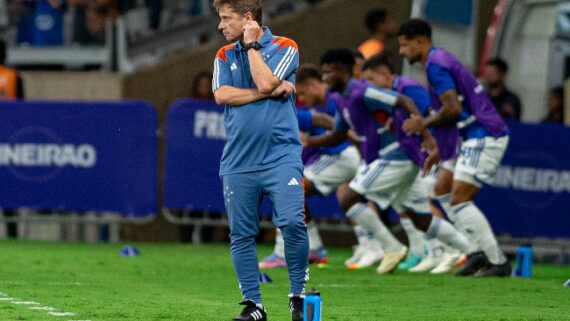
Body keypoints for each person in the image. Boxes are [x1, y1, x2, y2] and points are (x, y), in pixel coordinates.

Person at [212, 1, 307, 320]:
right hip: (239, 161)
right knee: (241, 234)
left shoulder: (286, 46)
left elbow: (266, 81)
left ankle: (297, 296)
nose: (220, 26)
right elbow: (222, 95)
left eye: (226, 19)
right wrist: (265, 92)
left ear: (248, 18)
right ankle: (254, 306)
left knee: (293, 222)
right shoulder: (223, 55)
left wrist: (252, 45)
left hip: (281, 156)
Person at [398, 19, 512, 277]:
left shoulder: (435, 65)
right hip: (468, 135)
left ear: (420, 40)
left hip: (484, 132)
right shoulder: (439, 60)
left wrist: (422, 123)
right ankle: (475, 252)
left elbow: (452, 109)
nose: (402, 52)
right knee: (441, 190)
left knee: (459, 198)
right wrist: (440, 151)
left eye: (404, 45)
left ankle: (498, 261)